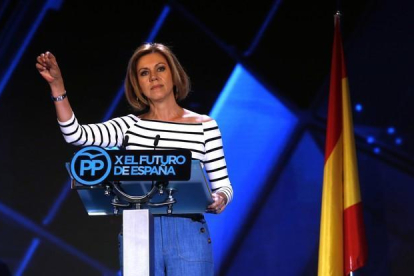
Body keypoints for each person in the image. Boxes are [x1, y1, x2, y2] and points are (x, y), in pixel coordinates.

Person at [36, 43, 233, 275]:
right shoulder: (128, 126)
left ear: (174, 73)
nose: (153, 77)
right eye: (144, 73)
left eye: (160, 68)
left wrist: (220, 198)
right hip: (138, 229)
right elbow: (75, 134)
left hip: (187, 231)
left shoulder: (205, 126)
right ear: (137, 84)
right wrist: (57, 86)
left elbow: (224, 185)